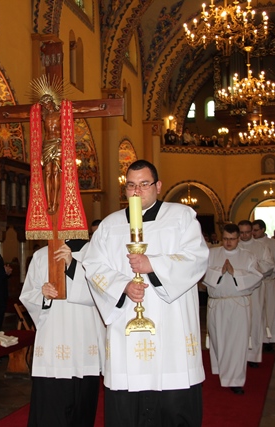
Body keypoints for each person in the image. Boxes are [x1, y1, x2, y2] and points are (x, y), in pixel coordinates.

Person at [82, 160, 209, 426]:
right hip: (126, 324)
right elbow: (92, 265)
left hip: (171, 327)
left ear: (158, 186)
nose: (137, 191)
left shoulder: (180, 217)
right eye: (131, 185)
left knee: (173, 401)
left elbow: (196, 258)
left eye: (144, 184)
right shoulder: (110, 225)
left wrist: (153, 265)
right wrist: (122, 285)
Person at [20, 240, 105, 426]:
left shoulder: (94, 251)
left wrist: (72, 265)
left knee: (81, 412)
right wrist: (42, 294)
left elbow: (101, 292)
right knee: (50, 413)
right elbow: (28, 295)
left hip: (84, 340)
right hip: (52, 342)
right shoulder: (41, 255)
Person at [203, 224, 262, 395]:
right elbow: (200, 273)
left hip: (238, 304)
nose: (228, 242)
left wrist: (235, 273)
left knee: (237, 342)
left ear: (238, 239)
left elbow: (257, 277)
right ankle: (223, 370)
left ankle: (235, 379)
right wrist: (219, 272)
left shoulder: (248, 256)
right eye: (226, 239)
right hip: (217, 303)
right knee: (218, 339)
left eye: (232, 239)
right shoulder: (212, 254)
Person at [237, 220, 273, 368]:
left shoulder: (261, 247)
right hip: (237, 290)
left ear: (252, 231)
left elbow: (269, 266)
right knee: (239, 322)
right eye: (241, 232)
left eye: (247, 232)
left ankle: (253, 355)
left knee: (255, 319)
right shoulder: (234, 246)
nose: (244, 235)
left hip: (255, 289)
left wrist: (253, 266)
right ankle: (239, 354)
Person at [252, 220, 275, 352]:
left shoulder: (274, 244)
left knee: (270, 311)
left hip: (269, 282)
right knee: (256, 311)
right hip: (255, 284)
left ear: (263, 229)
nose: (253, 233)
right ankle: (255, 337)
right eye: (252, 230)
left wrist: (269, 270)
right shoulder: (250, 244)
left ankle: (269, 339)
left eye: (256, 230)